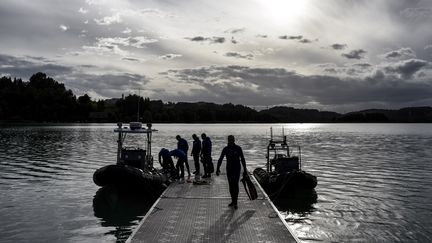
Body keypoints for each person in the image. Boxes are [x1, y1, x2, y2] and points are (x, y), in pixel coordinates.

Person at [216, 135, 247, 209]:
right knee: (231, 185)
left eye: (232, 140)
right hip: (229, 169)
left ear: (234, 140)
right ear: (228, 140)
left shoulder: (238, 148)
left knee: (235, 185)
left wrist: (245, 170)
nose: (230, 141)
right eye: (229, 140)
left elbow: (242, 159)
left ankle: (235, 202)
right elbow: (220, 159)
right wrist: (217, 168)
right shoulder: (225, 149)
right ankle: (233, 200)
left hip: (237, 169)